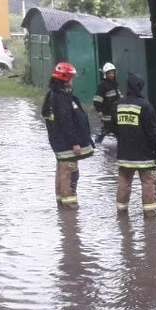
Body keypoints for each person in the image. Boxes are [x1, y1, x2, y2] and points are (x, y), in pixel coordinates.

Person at [41, 62, 94, 209]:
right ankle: (70, 208)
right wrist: (75, 142)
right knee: (70, 174)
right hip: (66, 145)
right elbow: (66, 122)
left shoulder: (52, 95)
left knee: (62, 172)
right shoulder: (61, 98)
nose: (73, 81)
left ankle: (61, 203)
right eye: (72, 78)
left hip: (59, 143)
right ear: (65, 80)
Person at [113, 73, 156, 217]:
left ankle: (121, 213)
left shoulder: (117, 104)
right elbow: (151, 133)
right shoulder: (145, 105)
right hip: (144, 156)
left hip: (124, 154)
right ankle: (150, 216)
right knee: (148, 183)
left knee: (124, 182)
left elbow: (114, 128)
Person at [92, 62, 121, 144]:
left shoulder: (115, 84)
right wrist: (99, 110)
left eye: (113, 73)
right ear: (105, 74)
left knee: (114, 130)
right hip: (107, 113)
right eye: (109, 73)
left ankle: (98, 142)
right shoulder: (102, 85)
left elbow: (118, 96)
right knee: (109, 129)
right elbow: (97, 99)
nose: (112, 75)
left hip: (115, 112)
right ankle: (97, 143)